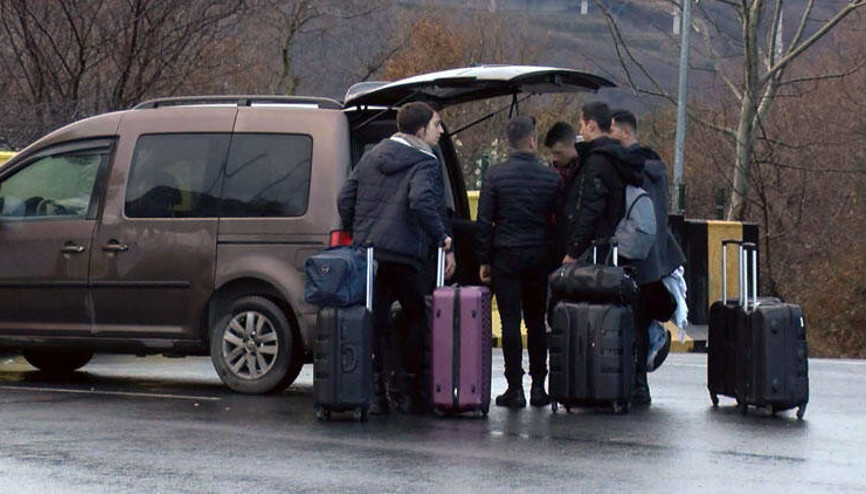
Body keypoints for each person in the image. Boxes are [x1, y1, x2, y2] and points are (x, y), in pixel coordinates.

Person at [337, 101, 456, 414]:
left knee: (374, 320)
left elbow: (345, 198)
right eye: (436, 125)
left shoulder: (370, 156)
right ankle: (411, 389)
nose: (441, 132)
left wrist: (358, 230)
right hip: (405, 255)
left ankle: (376, 391)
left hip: (370, 253)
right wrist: (442, 237)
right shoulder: (425, 162)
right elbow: (420, 201)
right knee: (417, 316)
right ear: (420, 130)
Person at [477, 116, 562, 408]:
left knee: (510, 322)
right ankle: (539, 386)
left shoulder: (495, 176)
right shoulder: (551, 177)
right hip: (539, 256)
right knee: (536, 320)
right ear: (532, 141)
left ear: (507, 143)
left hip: (506, 256)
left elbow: (484, 221)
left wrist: (484, 259)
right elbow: (559, 221)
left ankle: (514, 388)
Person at [609, 109, 686, 405]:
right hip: (656, 259)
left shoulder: (633, 170)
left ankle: (637, 382)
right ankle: (639, 381)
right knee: (640, 319)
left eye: (612, 131)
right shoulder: (655, 169)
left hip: (636, 256)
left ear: (626, 132)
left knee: (635, 320)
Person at [561, 102, 644, 265]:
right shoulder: (618, 158)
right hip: (611, 246)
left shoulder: (597, 161)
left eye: (581, 125)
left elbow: (591, 207)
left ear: (591, 125)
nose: (580, 131)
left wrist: (574, 250)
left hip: (593, 249)